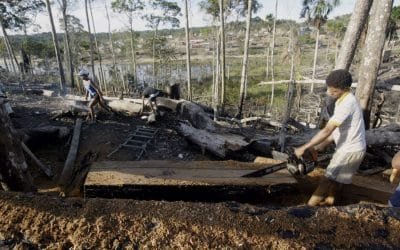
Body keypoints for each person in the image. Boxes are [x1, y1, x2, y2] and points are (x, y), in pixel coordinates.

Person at [294, 69, 366, 206]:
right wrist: (321, 145)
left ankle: (308, 208)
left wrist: (304, 147)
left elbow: (328, 130)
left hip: (349, 150)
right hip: (352, 148)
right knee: (337, 181)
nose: (329, 93)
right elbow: (337, 130)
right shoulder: (342, 100)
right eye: (329, 89)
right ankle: (330, 205)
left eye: (333, 91)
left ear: (345, 88)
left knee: (327, 180)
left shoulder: (347, 104)